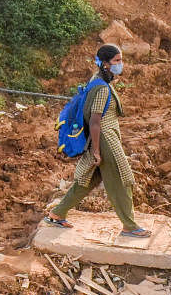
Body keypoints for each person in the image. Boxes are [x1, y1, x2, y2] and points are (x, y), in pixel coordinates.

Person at [44, 44, 150, 237]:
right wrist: (97, 151)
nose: (120, 64)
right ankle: (130, 226)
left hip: (102, 139)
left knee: (88, 180)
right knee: (121, 180)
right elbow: (94, 121)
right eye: (117, 61)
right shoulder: (102, 89)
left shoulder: (97, 80)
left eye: (120, 60)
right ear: (106, 64)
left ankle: (57, 214)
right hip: (105, 139)